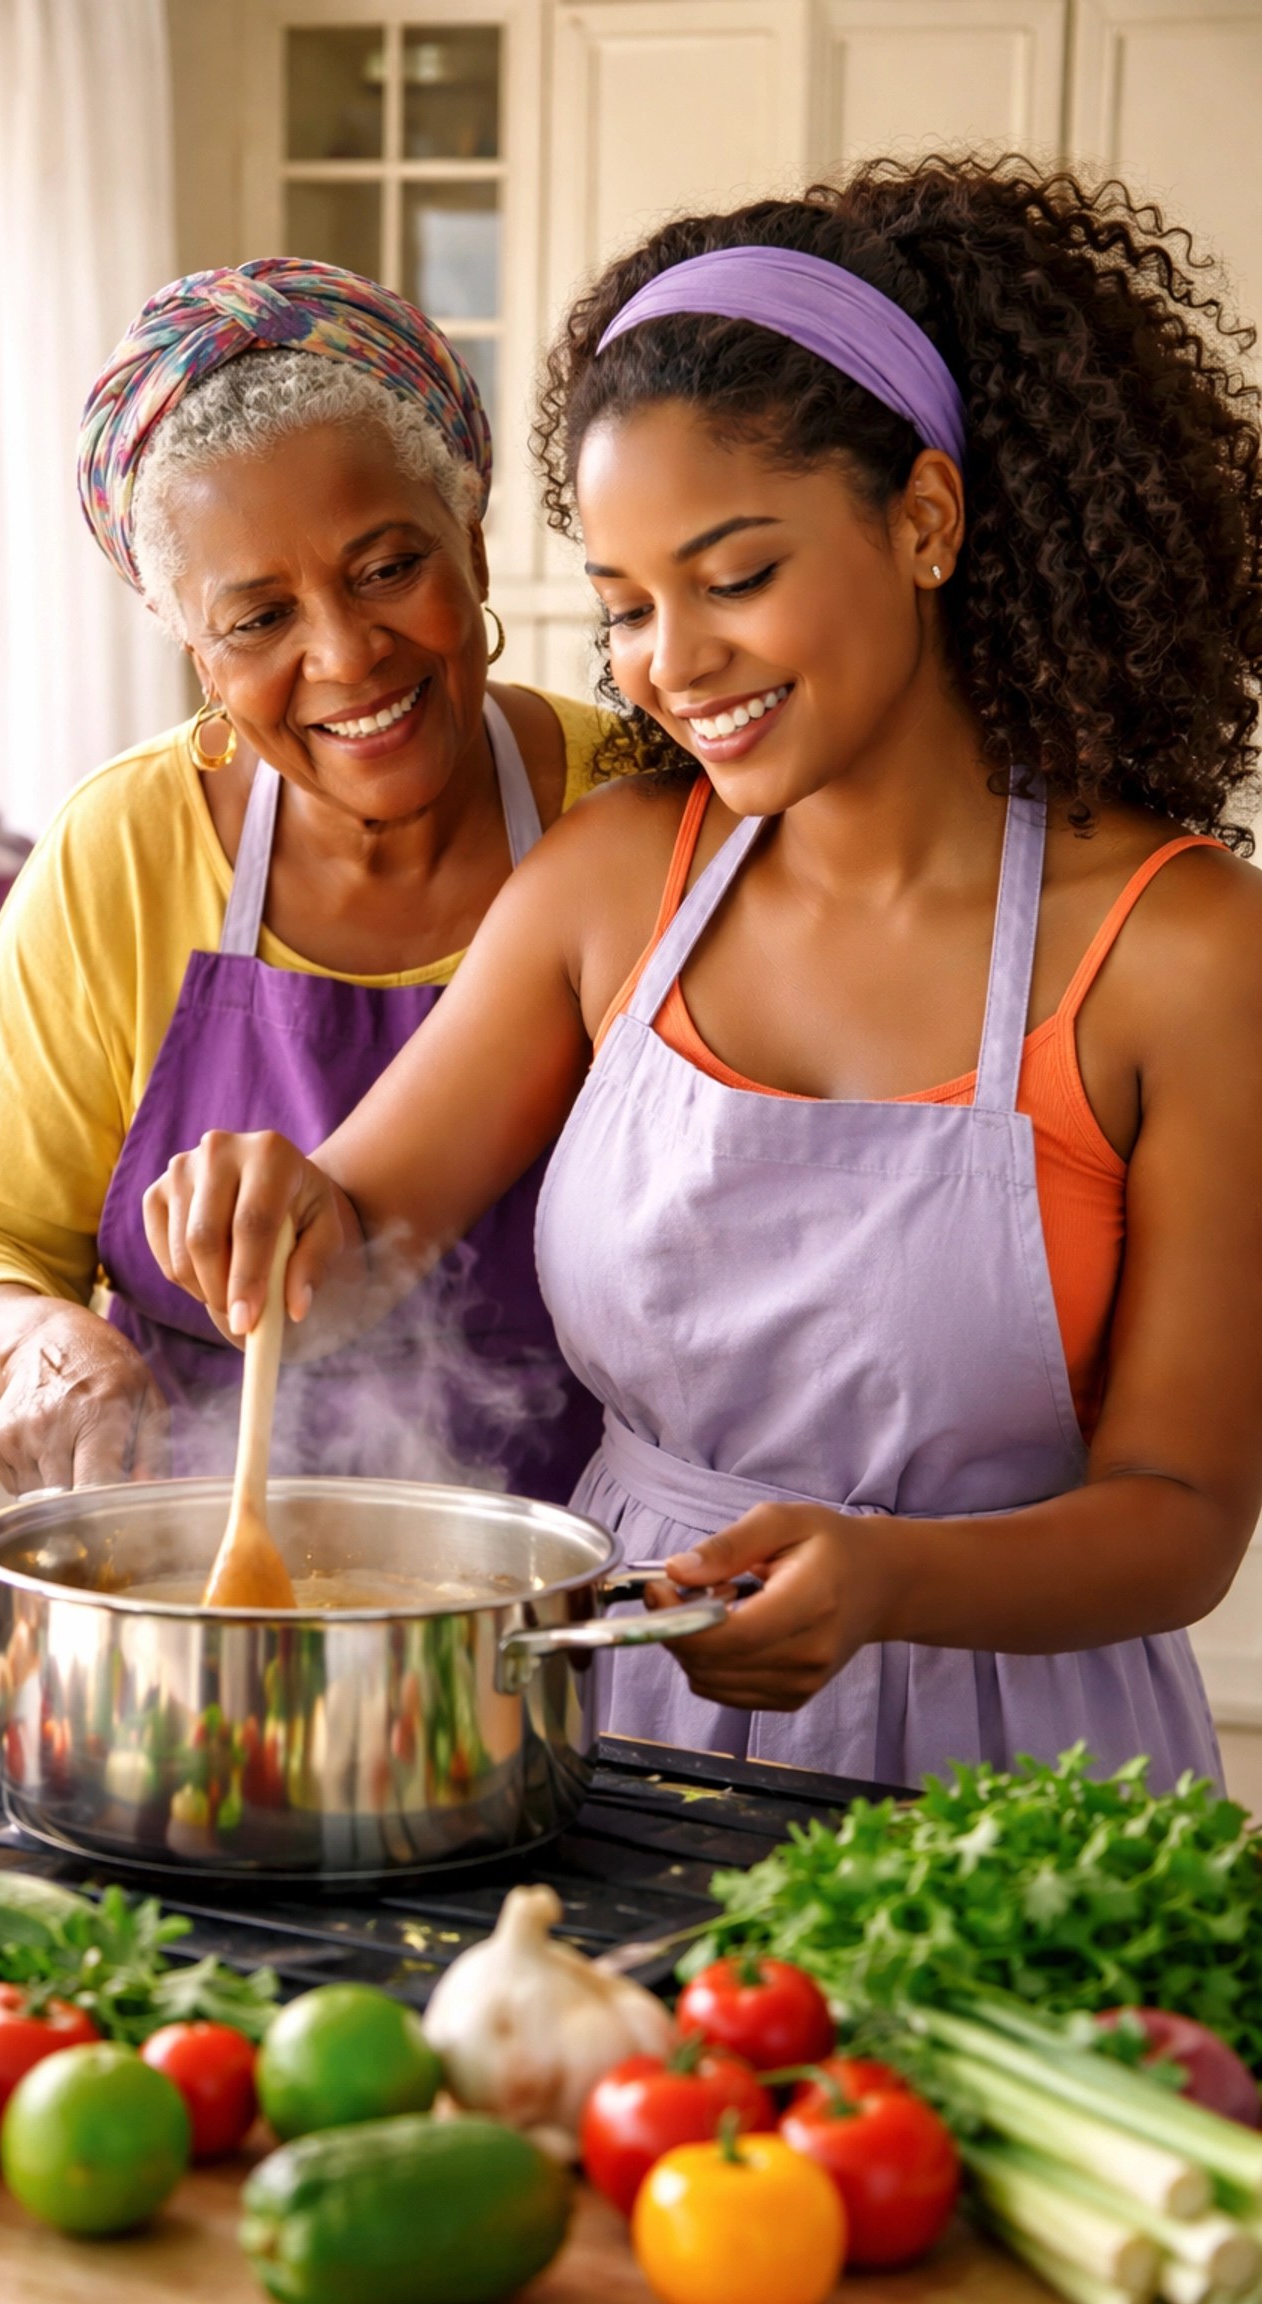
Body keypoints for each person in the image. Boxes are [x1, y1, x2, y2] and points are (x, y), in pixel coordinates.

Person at [144, 161, 1262, 1790]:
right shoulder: (611, 883)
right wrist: (264, 1206)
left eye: (734, 576)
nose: (673, 660)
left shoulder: (1186, 950)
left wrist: (890, 1584)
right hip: (621, 1715)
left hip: (1018, 1763)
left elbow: (1181, 1522)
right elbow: (352, 1235)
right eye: (625, 605)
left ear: (926, 520)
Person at [0, 261, 612, 1499]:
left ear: (471, 541)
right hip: (199, 1584)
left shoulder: (634, 806)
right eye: (258, 619)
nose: (346, 653)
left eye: (386, 568)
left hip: (589, 1582)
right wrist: (51, 1345)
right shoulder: (126, 847)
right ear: (194, 650)